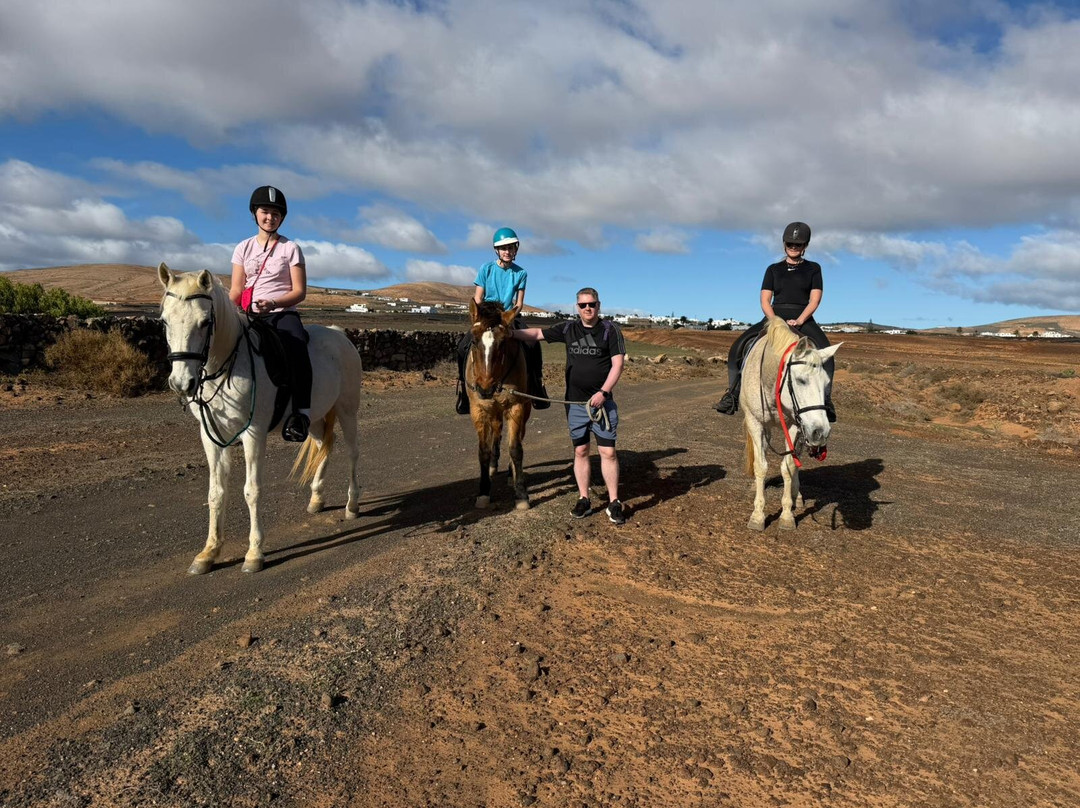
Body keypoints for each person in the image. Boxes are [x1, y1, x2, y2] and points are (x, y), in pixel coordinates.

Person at [514, 287, 627, 525]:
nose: (588, 308)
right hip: (574, 403)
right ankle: (584, 498)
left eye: (592, 304)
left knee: (608, 452)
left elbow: (617, 365)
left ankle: (614, 502)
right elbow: (536, 334)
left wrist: (604, 392)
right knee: (580, 451)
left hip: (602, 403)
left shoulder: (610, 330)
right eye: (583, 305)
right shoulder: (568, 328)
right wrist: (508, 334)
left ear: (599, 305)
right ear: (577, 307)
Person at [714, 221, 836, 422]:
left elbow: (815, 299)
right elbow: (764, 300)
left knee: (826, 354)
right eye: (790, 244)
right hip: (774, 316)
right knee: (738, 347)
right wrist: (774, 321)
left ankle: (826, 400)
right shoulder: (773, 269)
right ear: (784, 244)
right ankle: (733, 395)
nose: (793, 248)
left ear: (805, 246)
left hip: (803, 317)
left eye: (798, 245)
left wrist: (800, 320)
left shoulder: (814, 269)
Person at [229, 185, 312, 442]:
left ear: (282, 218)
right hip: (249, 315)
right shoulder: (243, 248)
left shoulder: (291, 248)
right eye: (265, 211)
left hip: (282, 314)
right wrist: (225, 309)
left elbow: (299, 291)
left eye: (276, 213)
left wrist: (273, 302)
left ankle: (301, 415)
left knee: (298, 348)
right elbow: (235, 289)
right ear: (255, 213)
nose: (270, 217)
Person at [455, 227, 548, 414]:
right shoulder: (486, 269)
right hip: (487, 316)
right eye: (504, 248)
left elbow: (519, 303)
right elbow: (478, 298)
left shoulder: (521, 273)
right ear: (497, 250)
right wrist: (483, 317)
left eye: (511, 248)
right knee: (463, 346)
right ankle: (463, 391)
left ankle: (537, 384)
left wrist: (507, 317)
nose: (508, 251)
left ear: (516, 249)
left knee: (532, 344)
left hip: (507, 317)